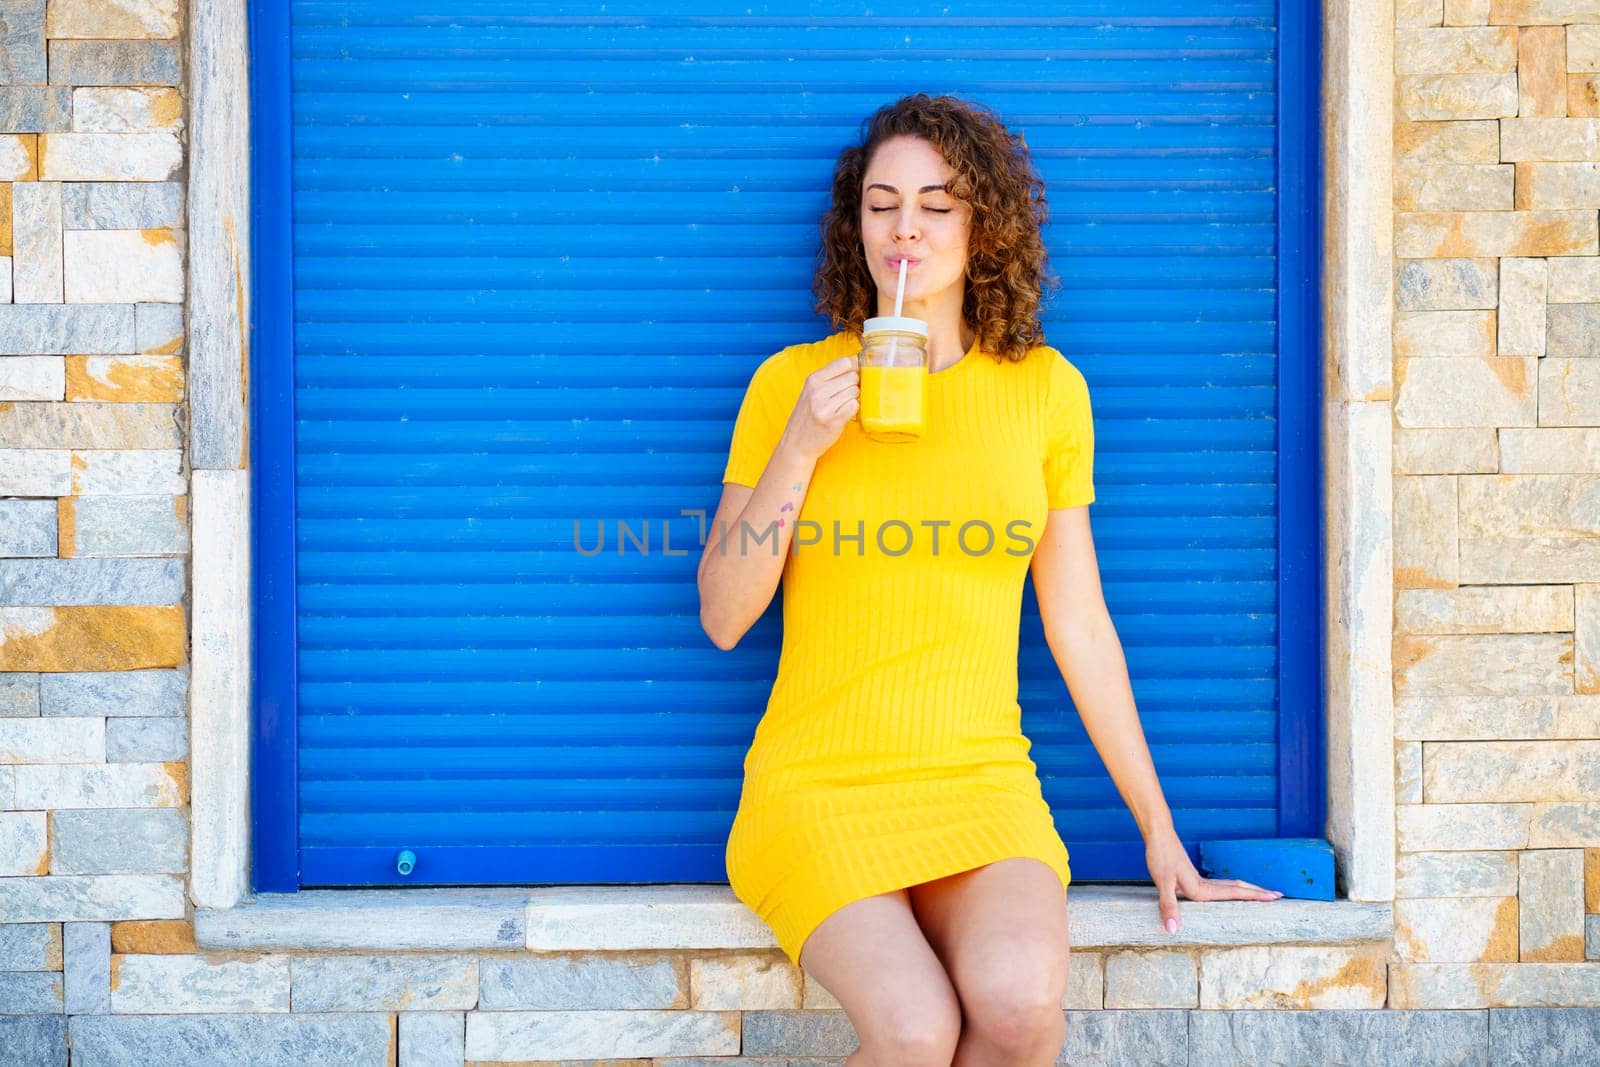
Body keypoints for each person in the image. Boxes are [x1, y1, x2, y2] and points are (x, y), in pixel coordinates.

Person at [697, 93, 1282, 1067]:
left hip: (976, 781)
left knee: (1014, 1007)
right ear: (857, 226)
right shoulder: (789, 384)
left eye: (936, 203)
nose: (906, 228)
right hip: (817, 787)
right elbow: (723, 615)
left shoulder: (1046, 392)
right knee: (915, 1029)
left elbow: (1079, 621)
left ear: (983, 224)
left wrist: (1158, 828)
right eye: (882, 204)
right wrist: (800, 446)